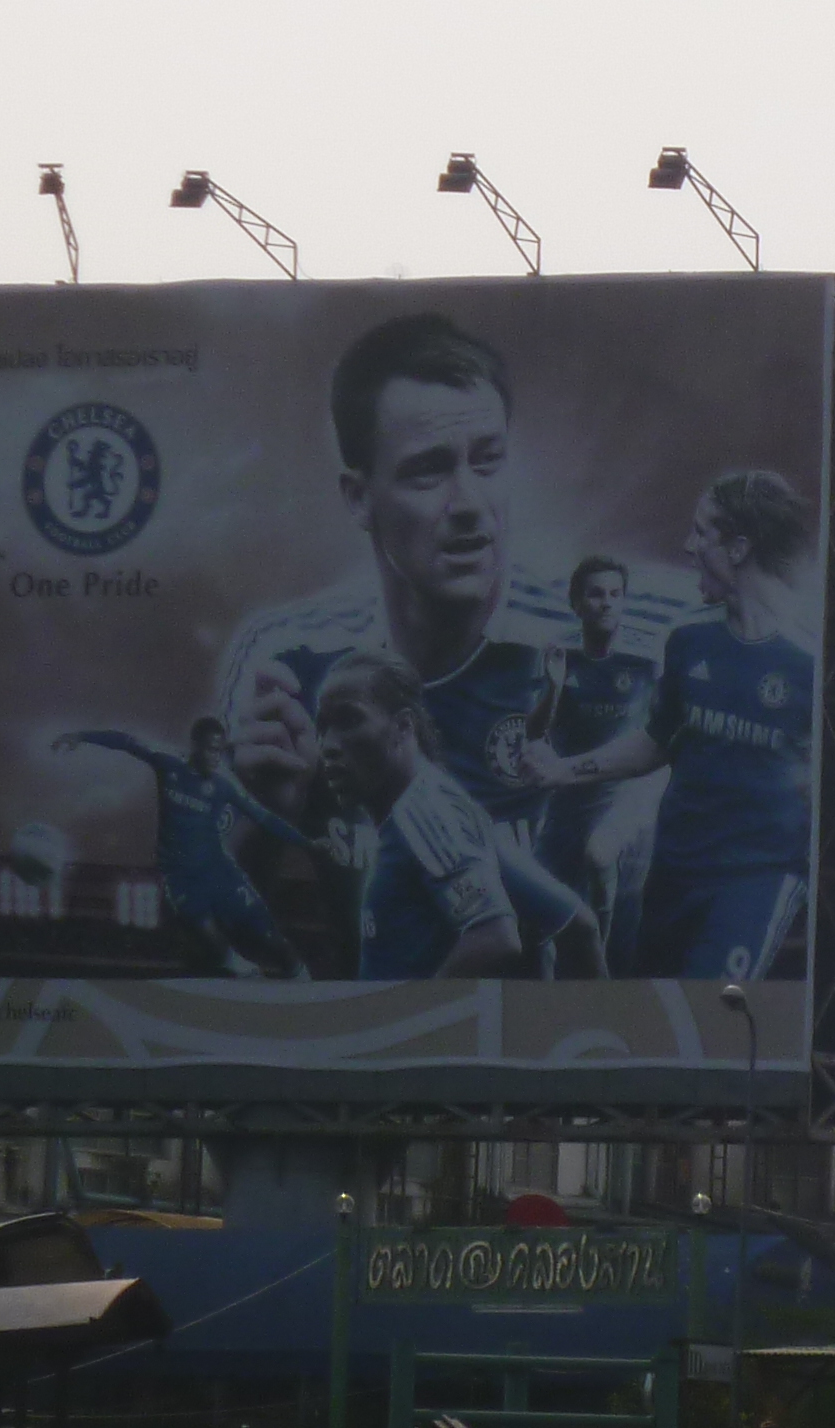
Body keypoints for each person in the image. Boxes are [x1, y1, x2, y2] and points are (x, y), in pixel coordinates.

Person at [217, 310, 565, 881]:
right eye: (429, 471)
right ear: (359, 498)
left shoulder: (607, 639)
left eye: (488, 460)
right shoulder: (287, 659)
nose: (470, 503)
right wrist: (264, 815)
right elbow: (207, 905)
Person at [526, 467, 818, 982]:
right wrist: (561, 770)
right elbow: (657, 741)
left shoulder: (811, 662)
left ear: (738, 549)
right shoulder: (689, 641)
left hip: (755, 881)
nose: (688, 547)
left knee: (710, 1012)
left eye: (701, 533)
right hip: (674, 874)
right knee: (655, 1016)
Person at [308, 651, 601, 982]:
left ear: (403, 726)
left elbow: (495, 938)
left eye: (348, 721)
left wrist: (418, 1011)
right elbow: (579, 925)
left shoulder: (424, 814)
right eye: (322, 728)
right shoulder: (435, 805)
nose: (328, 745)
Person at [51, 720, 314, 977]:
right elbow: (126, 740)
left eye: (220, 751)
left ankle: (301, 977)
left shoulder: (225, 782)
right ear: (195, 746)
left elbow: (264, 818)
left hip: (219, 872)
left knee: (269, 936)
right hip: (179, 878)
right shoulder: (168, 760)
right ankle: (242, 973)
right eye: (211, 750)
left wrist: (307, 843)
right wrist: (80, 736)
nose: (216, 757)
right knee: (213, 944)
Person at [535, 553, 664, 972]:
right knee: (542, 907)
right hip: (569, 796)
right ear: (576, 603)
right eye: (596, 594)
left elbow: (663, 730)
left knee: (601, 856)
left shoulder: (646, 658)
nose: (606, 603)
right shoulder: (560, 652)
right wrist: (553, 688)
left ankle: (600, 968)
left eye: (615, 594)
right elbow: (534, 733)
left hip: (623, 794)